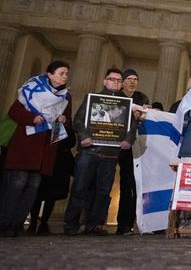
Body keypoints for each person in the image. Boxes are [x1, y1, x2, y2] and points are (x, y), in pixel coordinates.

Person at [0, 61, 72, 237]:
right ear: (50, 74)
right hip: (25, 145)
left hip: (45, 149)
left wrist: (63, 119)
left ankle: (17, 224)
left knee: (33, 188)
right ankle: (4, 223)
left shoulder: (66, 97)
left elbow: (67, 122)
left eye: (66, 73)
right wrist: (32, 118)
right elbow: (13, 112)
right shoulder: (31, 90)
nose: (65, 76)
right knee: (16, 185)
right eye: (62, 73)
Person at [63, 68, 136, 235]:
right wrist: (84, 136)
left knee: (103, 191)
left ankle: (95, 224)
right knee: (80, 188)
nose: (116, 82)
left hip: (111, 154)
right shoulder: (91, 99)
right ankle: (71, 224)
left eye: (119, 80)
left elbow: (132, 127)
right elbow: (78, 121)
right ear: (105, 81)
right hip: (89, 151)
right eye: (112, 79)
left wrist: (128, 140)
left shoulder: (126, 104)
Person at [116, 68, 150, 236]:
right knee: (116, 185)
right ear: (122, 82)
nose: (132, 81)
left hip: (135, 147)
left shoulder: (141, 98)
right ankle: (114, 224)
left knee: (132, 187)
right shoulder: (116, 97)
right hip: (116, 146)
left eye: (135, 78)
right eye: (129, 78)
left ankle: (128, 224)